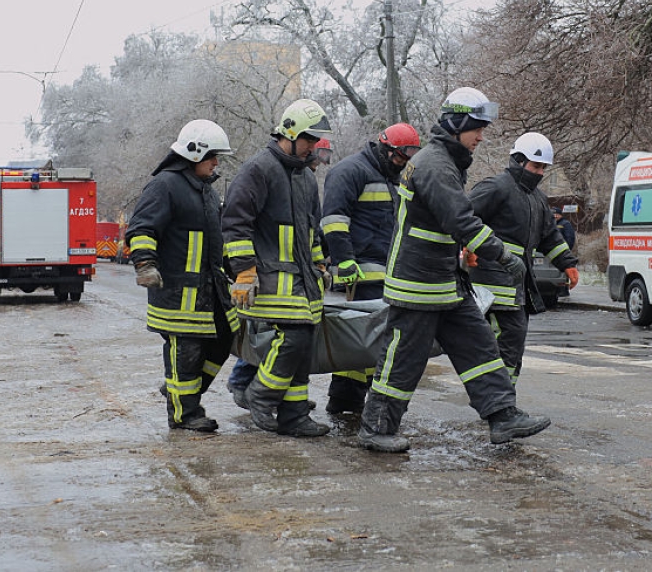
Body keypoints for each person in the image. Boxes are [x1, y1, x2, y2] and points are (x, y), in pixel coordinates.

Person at [357, 87, 552, 453]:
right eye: (476, 128)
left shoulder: (445, 162)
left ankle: (502, 417)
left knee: (480, 347)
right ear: (457, 124)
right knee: (403, 358)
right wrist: (502, 256)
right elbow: (462, 220)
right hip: (417, 283)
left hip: (444, 281)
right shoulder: (435, 165)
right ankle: (376, 426)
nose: (481, 136)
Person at [221, 99, 333, 437]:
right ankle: (261, 393)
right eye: (309, 139)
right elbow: (236, 223)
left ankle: (294, 415)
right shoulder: (259, 169)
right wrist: (244, 271)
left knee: (305, 344)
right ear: (290, 132)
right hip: (270, 279)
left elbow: (311, 229)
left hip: (304, 280)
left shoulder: (306, 179)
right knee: (295, 339)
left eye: (316, 141)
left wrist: (319, 263)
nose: (314, 147)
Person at [126, 119, 238, 433]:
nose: (217, 163)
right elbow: (141, 228)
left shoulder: (204, 191)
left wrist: (238, 270)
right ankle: (184, 414)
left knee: (224, 338)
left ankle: (180, 392)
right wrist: (145, 262)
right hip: (178, 293)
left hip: (209, 291)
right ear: (194, 153)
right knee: (185, 352)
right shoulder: (164, 185)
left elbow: (215, 241)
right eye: (213, 156)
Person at [319, 122, 421, 414]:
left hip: (385, 273)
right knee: (361, 343)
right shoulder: (350, 171)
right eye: (400, 156)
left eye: (407, 158)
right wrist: (345, 260)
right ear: (384, 147)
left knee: (371, 344)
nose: (402, 163)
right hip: (360, 273)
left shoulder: (391, 178)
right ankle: (344, 400)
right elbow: (333, 220)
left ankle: (347, 401)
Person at [468, 132, 578, 385]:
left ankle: (503, 399)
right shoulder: (495, 188)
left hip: (517, 288)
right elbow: (463, 219)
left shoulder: (538, 199)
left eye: (543, 168)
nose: (540, 173)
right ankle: (498, 401)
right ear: (518, 161)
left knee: (513, 346)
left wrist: (568, 264)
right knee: (503, 345)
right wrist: (468, 246)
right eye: (535, 166)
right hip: (491, 286)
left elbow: (550, 236)